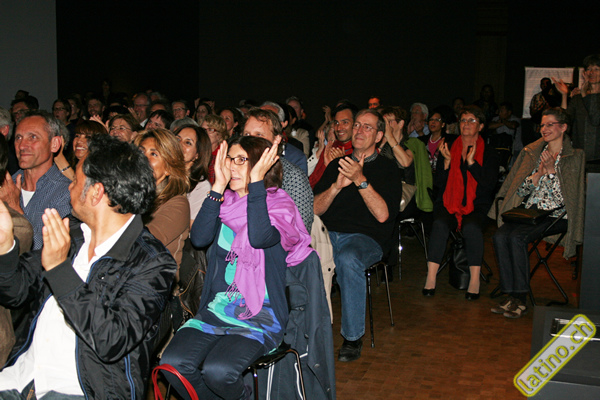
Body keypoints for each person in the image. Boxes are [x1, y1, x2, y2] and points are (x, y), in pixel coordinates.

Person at [0, 134, 177, 399]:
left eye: (75, 181)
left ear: (96, 193)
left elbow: (112, 340)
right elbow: (15, 292)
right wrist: (5, 248)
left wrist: (60, 270)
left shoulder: (153, 263)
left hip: (80, 390)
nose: (69, 188)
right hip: (22, 376)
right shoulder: (73, 233)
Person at [160, 136, 314, 400]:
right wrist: (218, 187)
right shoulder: (225, 205)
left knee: (218, 371)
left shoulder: (279, 207)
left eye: (242, 160)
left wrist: (256, 185)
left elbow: (259, 237)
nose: (232, 166)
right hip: (218, 309)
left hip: (260, 314)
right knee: (173, 365)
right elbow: (199, 238)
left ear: (261, 166)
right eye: (230, 159)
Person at [314, 109, 401, 362]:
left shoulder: (388, 169)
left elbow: (383, 215)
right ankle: (302, 329)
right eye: (357, 125)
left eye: (367, 127)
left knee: (348, 257)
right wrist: (335, 187)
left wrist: (360, 180)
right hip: (328, 235)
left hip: (366, 239)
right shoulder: (336, 165)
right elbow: (314, 209)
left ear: (379, 136)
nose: (359, 130)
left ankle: (352, 338)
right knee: (299, 253)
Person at [489, 108, 585, 318]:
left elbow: (566, 200)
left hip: (556, 215)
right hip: (531, 212)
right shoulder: (534, 152)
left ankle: (520, 299)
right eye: (542, 125)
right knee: (500, 236)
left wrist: (550, 173)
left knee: (516, 238)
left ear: (563, 127)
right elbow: (520, 191)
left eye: (550, 124)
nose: (544, 129)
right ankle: (510, 293)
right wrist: (537, 175)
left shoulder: (574, 156)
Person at [423, 106, 499, 300]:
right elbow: (439, 183)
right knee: (439, 224)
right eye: (463, 120)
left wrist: (472, 164)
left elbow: (489, 185)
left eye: (472, 120)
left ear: (481, 126)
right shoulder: (447, 147)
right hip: (449, 202)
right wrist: (447, 163)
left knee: (471, 227)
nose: (466, 124)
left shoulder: (489, 152)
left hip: (477, 205)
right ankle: (431, 277)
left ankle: (474, 280)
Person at [0, 111, 72, 250]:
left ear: (54, 144)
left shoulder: (66, 192)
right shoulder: (7, 184)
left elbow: (46, 250)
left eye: (32, 137)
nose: (22, 146)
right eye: (18, 138)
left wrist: (15, 208)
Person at [243, 108, 314, 232]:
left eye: (259, 135)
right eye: (247, 135)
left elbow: (300, 230)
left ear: (276, 139)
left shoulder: (291, 176)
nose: (250, 141)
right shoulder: (236, 169)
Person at [135, 129, 190, 270]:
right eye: (141, 152)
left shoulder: (178, 204)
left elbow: (141, 246)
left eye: (153, 154)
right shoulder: (131, 194)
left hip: (154, 279)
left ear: (168, 168)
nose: (143, 158)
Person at [555, 53, 600, 161]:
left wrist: (585, 95)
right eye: (589, 69)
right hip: (579, 155)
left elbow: (595, 119)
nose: (592, 72)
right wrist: (564, 95)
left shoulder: (583, 96)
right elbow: (565, 121)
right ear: (584, 73)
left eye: (596, 69)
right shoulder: (577, 98)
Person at [174, 124, 212, 226]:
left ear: (197, 154)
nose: (179, 144)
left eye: (188, 143)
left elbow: (190, 225)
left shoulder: (201, 186)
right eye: (177, 139)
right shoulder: (162, 172)